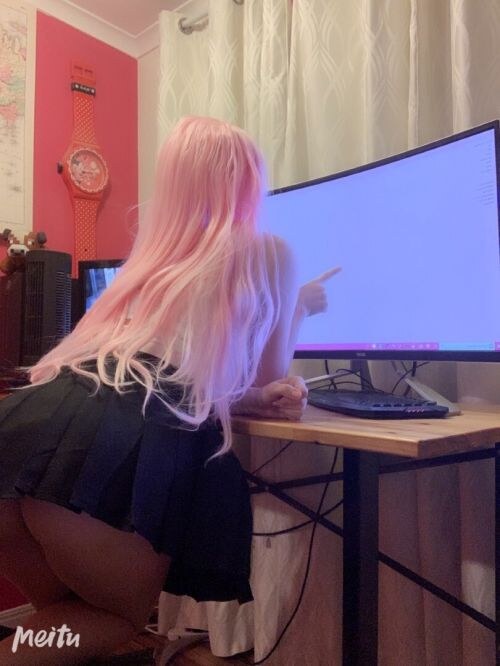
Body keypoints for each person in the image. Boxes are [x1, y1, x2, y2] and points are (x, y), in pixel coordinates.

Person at [0, 116, 339, 665]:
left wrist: (248, 400)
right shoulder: (268, 251)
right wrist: (298, 306)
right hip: (98, 447)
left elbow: (161, 371)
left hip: (26, 436)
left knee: (66, 620)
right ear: (248, 182)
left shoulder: (154, 259)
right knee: (112, 619)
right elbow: (265, 371)